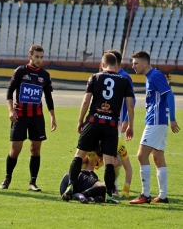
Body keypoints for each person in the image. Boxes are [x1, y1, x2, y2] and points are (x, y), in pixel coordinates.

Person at [61, 52, 134, 204]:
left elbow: (86, 100)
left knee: (79, 155)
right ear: (116, 66)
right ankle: (108, 195)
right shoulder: (124, 80)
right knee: (108, 162)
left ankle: (71, 186)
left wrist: (80, 120)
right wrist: (131, 125)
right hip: (111, 124)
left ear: (102, 64)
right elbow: (130, 104)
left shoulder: (94, 77)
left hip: (94, 120)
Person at [0, 45, 57, 191]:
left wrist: (52, 116)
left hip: (37, 117)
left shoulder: (45, 75)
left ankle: (32, 182)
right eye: (36, 57)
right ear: (30, 56)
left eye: (41, 57)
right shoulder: (20, 71)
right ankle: (7, 178)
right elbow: (9, 92)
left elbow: (49, 97)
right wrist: (11, 110)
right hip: (20, 116)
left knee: (35, 149)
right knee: (15, 150)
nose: (39, 60)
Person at [129, 51, 180, 204]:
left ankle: (145, 195)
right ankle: (163, 196)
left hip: (156, 121)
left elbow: (169, 94)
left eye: (136, 63)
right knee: (157, 157)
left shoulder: (155, 75)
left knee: (141, 155)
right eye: (132, 63)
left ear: (145, 63)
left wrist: (173, 118)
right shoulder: (151, 77)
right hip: (157, 121)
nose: (133, 66)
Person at [104, 49, 136, 198]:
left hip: (117, 123)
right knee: (109, 154)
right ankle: (112, 184)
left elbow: (132, 100)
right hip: (108, 121)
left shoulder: (124, 77)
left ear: (115, 64)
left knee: (115, 155)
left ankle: (114, 186)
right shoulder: (114, 76)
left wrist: (125, 121)